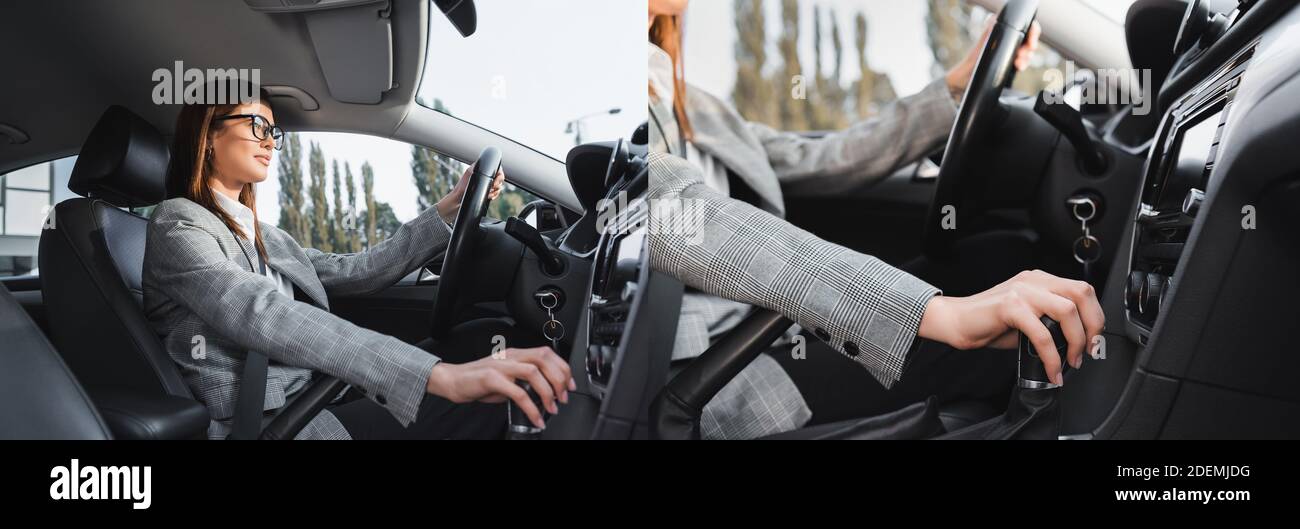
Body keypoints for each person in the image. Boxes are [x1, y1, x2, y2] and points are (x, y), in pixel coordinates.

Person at [646, 1, 1099, 439]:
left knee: (996, 257)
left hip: (764, 328)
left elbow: (821, 158)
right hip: (705, 369)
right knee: (999, 349)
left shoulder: (686, 98)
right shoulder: (606, 92)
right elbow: (680, 215)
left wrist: (955, 89)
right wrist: (939, 316)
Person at [143, 92, 575, 439]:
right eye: (256, 125)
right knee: (500, 395)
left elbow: (358, 271)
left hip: (321, 393)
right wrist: (439, 378)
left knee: (484, 339)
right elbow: (259, 311)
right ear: (208, 135)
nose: (271, 140)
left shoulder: (266, 234)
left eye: (274, 130)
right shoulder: (177, 223)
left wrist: (448, 208)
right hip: (277, 421)